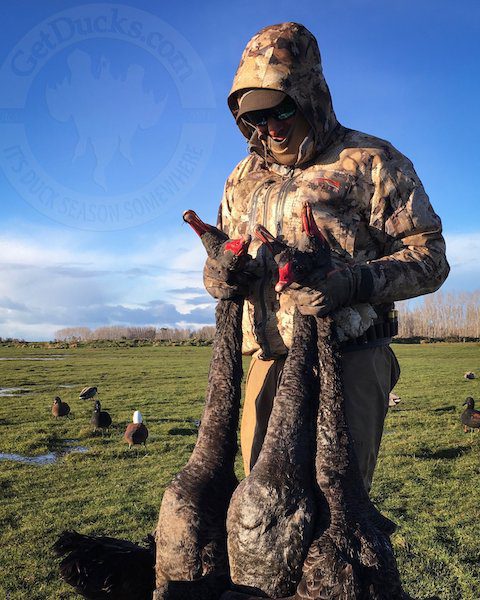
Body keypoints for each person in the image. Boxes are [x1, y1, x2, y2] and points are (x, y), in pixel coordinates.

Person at [204, 22, 449, 492]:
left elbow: (431, 258)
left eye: (281, 109)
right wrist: (219, 274)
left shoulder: (371, 161)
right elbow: (225, 253)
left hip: (349, 362)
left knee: (336, 519)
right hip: (268, 364)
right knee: (261, 520)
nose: (270, 127)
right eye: (255, 117)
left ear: (310, 95)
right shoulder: (241, 178)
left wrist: (354, 283)